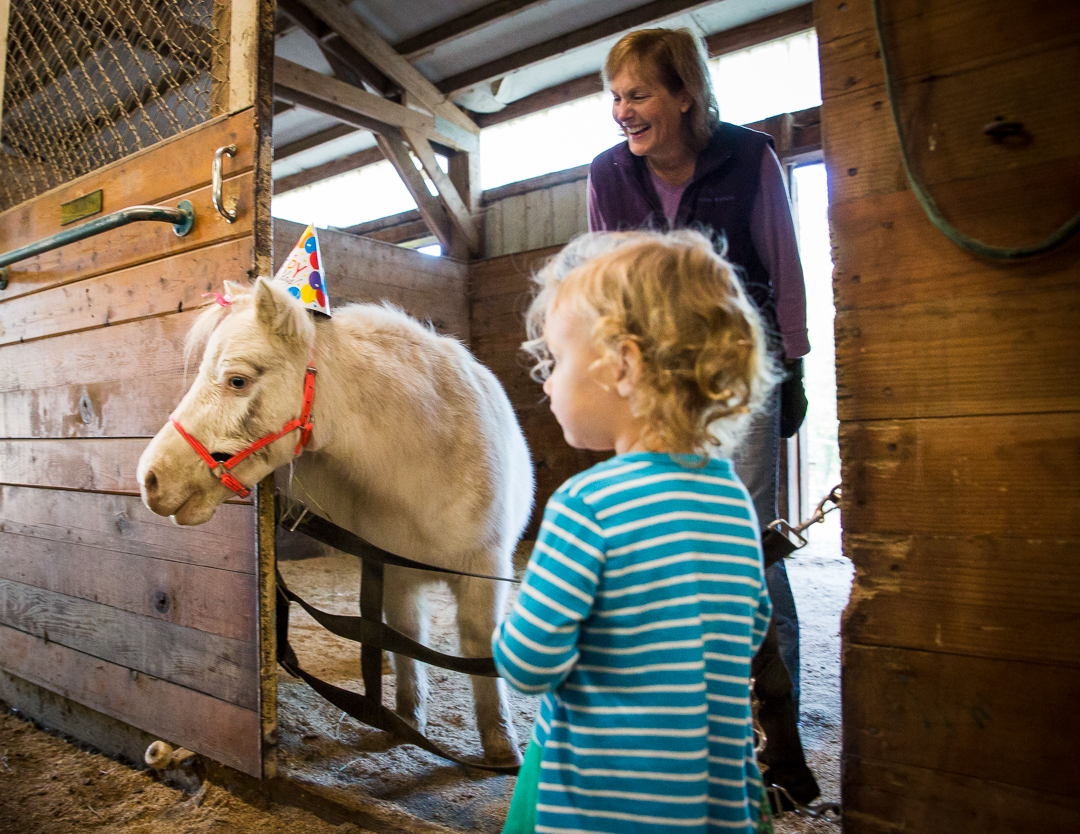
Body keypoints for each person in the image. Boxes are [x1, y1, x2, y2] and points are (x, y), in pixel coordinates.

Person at [585, 28, 817, 807]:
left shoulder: (750, 158)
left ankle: (780, 737)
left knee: (749, 541)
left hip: (742, 367)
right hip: (656, 372)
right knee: (660, 526)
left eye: (639, 93)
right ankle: (689, 716)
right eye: (616, 97)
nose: (623, 111)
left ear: (684, 93)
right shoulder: (608, 175)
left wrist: (797, 367)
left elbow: (782, 263)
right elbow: (603, 275)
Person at [494, 230, 778, 834]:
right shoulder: (731, 499)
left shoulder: (587, 505)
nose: (546, 383)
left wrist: (508, 628)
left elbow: (528, 663)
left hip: (604, 805)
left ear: (623, 365)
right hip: (716, 803)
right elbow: (751, 627)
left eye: (557, 359)